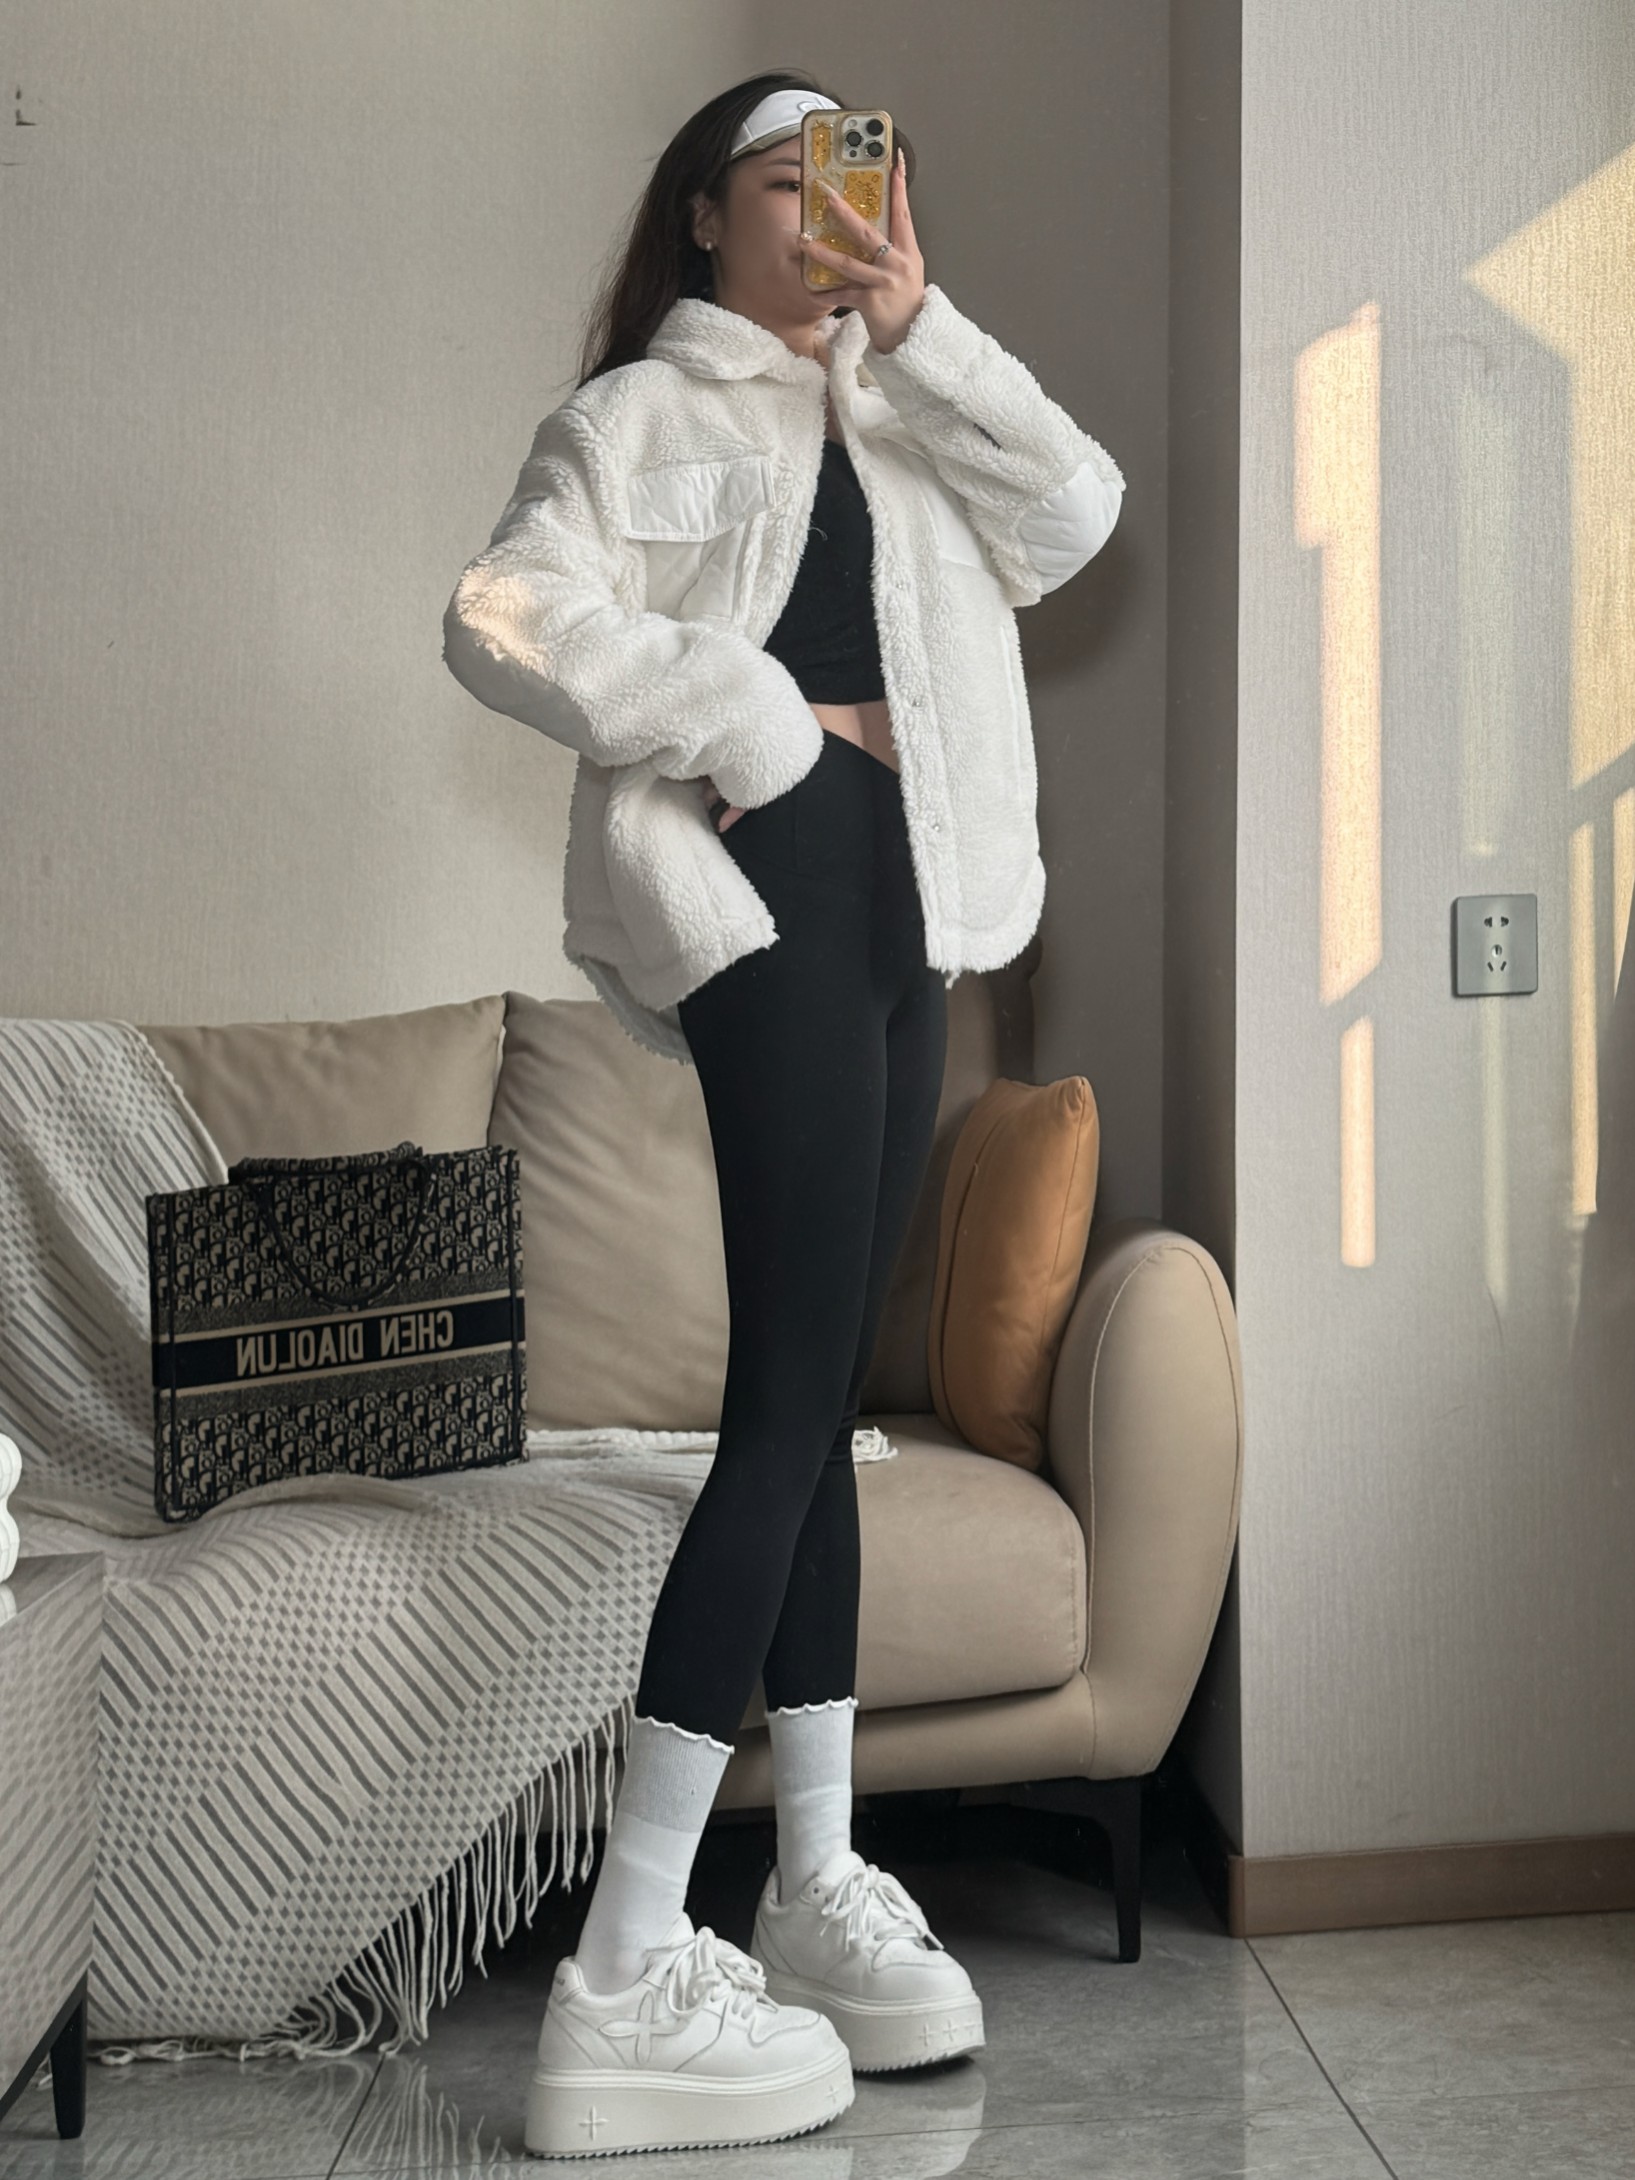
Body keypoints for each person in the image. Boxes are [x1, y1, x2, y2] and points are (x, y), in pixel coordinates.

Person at [443, 71, 1124, 2161]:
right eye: (790, 173)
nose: (839, 203)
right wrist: (750, 721)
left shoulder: (910, 401)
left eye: (868, 169)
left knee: (816, 1392)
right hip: (778, 878)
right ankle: (625, 1962)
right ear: (702, 213)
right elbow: (500, 611)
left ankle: (814, 1881)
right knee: (780, 1405)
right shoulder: (637, 413)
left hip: (918, 898)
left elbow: (1075, 513)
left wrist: (922, 325)